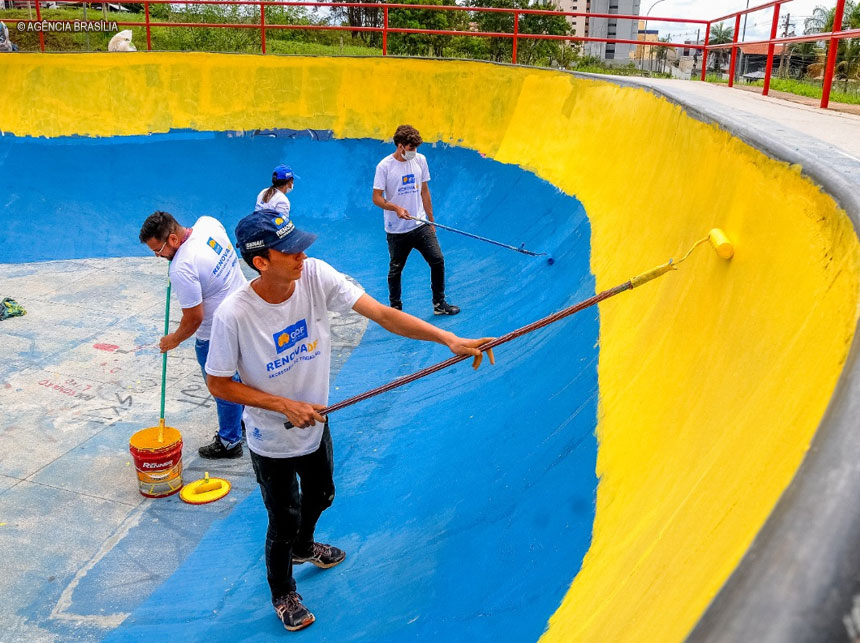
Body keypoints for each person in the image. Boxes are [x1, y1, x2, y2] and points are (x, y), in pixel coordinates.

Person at [204, 209, 493, 632]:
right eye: (290, 250)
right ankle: (283, 592)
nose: (302, 255)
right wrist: (282, 405)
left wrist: (448, 338)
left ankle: (304, 547)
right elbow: (218, 383)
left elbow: (382, 314)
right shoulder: (234, 314)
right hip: (271, 438)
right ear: (261, 262)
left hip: (316, 425)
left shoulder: (315, 275)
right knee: (283, 519)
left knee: (322, 495)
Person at [139, 211, 247, 459]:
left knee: (222, 386)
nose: (158, 256)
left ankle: (230, 441)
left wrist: (173, 339)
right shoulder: (208, 223)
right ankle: (244, 419)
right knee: (242, 374)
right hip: (245, 312)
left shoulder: (181, 268)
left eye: (159, 250)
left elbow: (194, 318)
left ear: (173, 239)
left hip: (217, 331)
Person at [372, 124, 460, 316]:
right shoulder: (384, 166)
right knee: (396, 270)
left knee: (437, 260)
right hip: (397, 230)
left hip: (420, 224)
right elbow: (376, 198)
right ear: (400, 146)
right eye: (411, 148)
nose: (414, 151)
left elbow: (424, 191)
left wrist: (431, 220)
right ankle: (396, 310)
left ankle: (439, 304)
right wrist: (395, 208)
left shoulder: (420, 160)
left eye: (416, 148)